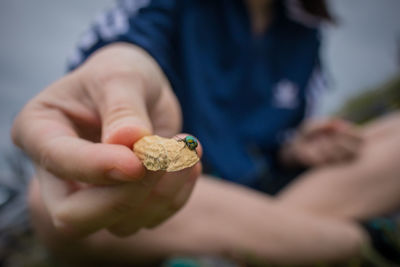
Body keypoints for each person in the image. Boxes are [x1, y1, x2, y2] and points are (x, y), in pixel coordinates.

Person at [11, 0, 400, 265]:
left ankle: (276, 241)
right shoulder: (172, 6)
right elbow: (126, 42)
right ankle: (347, 240)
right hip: (188, 197)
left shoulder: (304, 30)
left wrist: (296, 147)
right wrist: (118, 65)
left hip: (258, 193)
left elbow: (275, 134)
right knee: (50, 200)